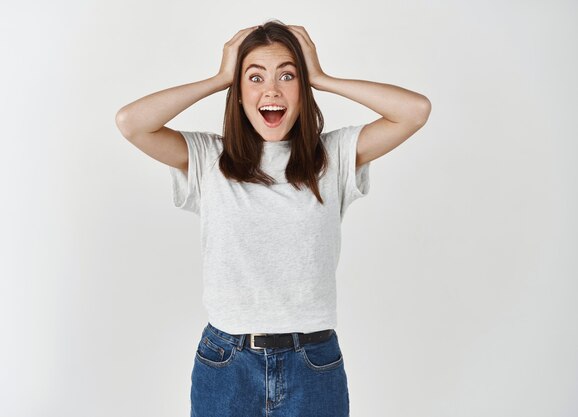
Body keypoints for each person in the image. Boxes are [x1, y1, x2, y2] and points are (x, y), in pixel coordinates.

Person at [115, 19, 430, 417]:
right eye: (255, 77)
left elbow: (415, 111)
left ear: (302, 91)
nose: (272, 90)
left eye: (287, 76)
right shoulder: (208, 160)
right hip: (227, 364)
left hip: (314, 364)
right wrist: (218, 79)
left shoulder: (332, 159)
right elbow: (131, 122)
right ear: (239, 93)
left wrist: (322, 76)